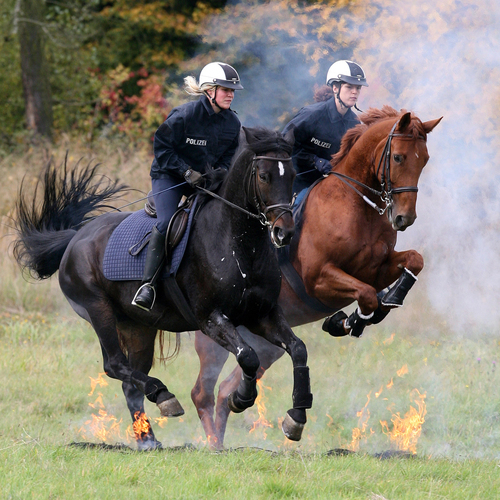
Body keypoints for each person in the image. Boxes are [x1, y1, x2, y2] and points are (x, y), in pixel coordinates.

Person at [132, 62, 243, 311]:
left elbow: (227, 157)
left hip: (204, 181)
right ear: (209, 91)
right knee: (166, 222)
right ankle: (148, 285)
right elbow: (162, 148)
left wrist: (220, 173)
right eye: (225, 89)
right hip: (169, 176)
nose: (230, 94)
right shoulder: (184, 115)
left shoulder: (232, 124)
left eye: (233, 90)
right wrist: (185, 171)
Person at [282, 60, 368, 203]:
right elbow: (284, 142)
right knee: (299, 209)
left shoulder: (355, 123)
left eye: (358, 88)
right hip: (300, 182)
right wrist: (315, 160)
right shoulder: (311, 115)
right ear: (335, 88)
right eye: (349, 87)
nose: (355, 92)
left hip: (334, 185)